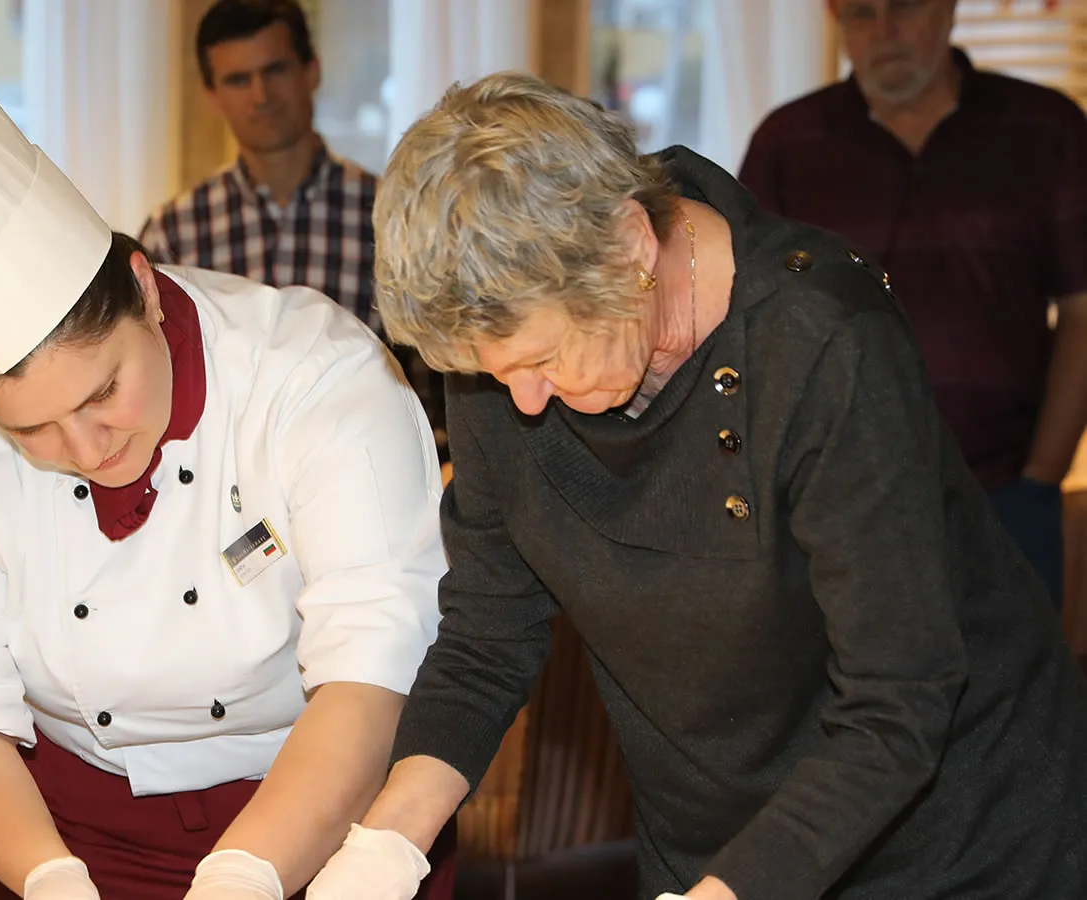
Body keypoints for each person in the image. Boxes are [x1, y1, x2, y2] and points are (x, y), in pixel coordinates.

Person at [304, 72, 1087, 900]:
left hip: (958, 839)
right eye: (494, 376)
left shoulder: (821, 340)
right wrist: (386, 843)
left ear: (631, 249)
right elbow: (487, 639)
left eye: (539, 361)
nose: (521, 400)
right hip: (710, 842)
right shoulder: (504, 357)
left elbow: (898, 702)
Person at [0, 23, 453, 900]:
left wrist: (245, 879)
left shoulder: (314, 376)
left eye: (102, 393)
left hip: (329, 812)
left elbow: (374, 666)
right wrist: (51, 879)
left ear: (143, 288)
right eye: (32, 432)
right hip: (65, 830)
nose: (87, 449)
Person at [738, 0, 1087, 607]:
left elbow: (1085, 312)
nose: (885, 32)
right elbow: (747, 321)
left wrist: (1041, 477)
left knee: (1009, 698)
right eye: (861, 13)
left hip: (1003, 498)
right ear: (835, 20)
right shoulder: (788, 143)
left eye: (904, 7)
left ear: (949, 10)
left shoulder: (1045, 129)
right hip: (832, 505)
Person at [137, 0, 446, 459]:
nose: (261, 96)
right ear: (212, 94)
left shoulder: (391, 219)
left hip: (367, 472)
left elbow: (434, 392)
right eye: (238, 80)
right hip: (218, 494)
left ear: (312, 71)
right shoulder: (173, 235)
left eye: (275, 69)